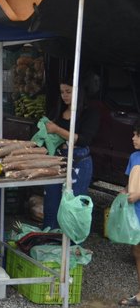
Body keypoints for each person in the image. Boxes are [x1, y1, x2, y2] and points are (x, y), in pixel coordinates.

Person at [42, 75, 100, 229]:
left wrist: (56, 129)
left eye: (68, 91)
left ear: (79, 92)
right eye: (62, 92)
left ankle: (71, 245)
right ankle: (48, 240)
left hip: (79, 163)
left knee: (73, 205)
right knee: (51, 203)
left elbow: (83, 140)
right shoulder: (58, 110)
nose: (64, 96)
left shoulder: (91, 113)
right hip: (57, 161)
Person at [119, 119, 140, 306]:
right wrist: (124, 192)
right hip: (136, 214)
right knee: (137, 251)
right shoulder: (134, 157)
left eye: (137, 135)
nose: (133, 138)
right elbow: (130, 183)